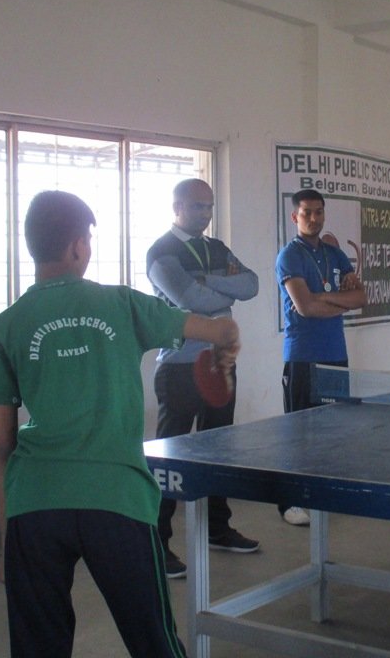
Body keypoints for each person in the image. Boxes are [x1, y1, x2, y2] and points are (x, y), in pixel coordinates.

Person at [0, 190, 240, 658]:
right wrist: (227, 344)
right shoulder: (122, 303)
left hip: (35, 503)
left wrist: (5, 545)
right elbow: (218, 329)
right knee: (154, 642)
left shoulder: (2, 327)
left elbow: (3, 445)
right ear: (79, 246)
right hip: (116, 498)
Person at [146, 178, 260, 578]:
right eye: (198, 206)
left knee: (219, 450)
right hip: (179, 367)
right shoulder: (161, 251)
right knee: (169, 459)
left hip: (220, 364)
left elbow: (251, 284)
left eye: (210, 206)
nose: (206, 214)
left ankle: (217, 528)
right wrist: (221, 291)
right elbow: (189, 300)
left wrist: (207, 282)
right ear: (177, 206)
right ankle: (156, 544)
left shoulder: (217, 248)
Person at [275, 189, 366, 526]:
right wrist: (338, 300)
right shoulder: (290, 256)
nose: (313, 218)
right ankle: (290, 504)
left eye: (318, 212)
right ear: (294, 217)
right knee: (299, 433)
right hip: (303, 357)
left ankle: (323, 495)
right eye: (306, 213)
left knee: (333, 432)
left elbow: (360, 298)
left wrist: (324, 298)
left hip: (335, 355)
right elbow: (305, 307)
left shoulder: (334, 254)